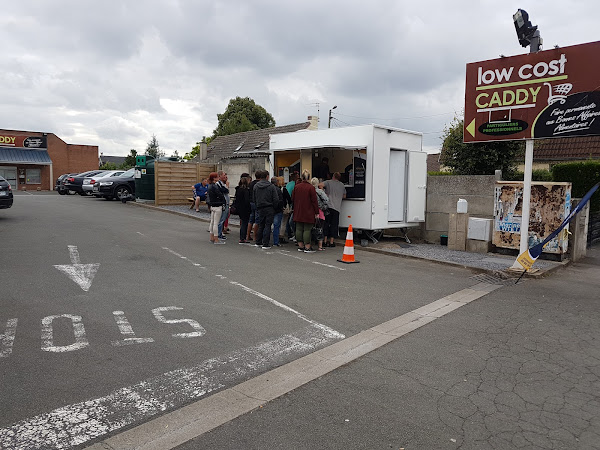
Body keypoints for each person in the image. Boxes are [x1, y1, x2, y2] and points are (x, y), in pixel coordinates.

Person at [292, 169, 319, 253]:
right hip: (308, 211)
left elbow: (292, 198)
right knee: (307, 229)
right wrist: (316, 212)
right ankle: (307, 247)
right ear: (309, 177)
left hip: (298, 210)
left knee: (299, 229)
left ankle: (300, 246)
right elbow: (314, 201)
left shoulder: (297, 187)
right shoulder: (311, 188)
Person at [253, 170, 280, 249]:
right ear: (267, 176)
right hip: (269, 207)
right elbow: (276, 199)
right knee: (268, 225)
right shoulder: (271, 186)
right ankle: (266, 243)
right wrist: (274, 207)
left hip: (260, 207)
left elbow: (254, 198)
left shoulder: (256, 186)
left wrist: (257, 205)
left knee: (261, 225)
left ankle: (258, 242)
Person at [323, 171, 347, 247]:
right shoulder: (342, 185)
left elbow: (320, 185)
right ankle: (332, 242)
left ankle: (325, 241)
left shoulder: (328, 182)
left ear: (333, 176)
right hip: (337, 208)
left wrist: (324, 193)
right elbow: (344, 196)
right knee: (334, 225)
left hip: (328, 207)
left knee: (326, 224)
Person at [206, 172, 226, 244]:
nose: (218, 178)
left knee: (212, 222)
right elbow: (220, 195)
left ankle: (212, 237)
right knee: (216, 223)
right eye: (217, 177)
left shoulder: (209, 186)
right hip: (218, 205)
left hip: (212, 205)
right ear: (214, 178)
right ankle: (216, 239)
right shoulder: (215, 186)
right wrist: (223, 200)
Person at [311, 177, 330, 251]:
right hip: (320, 212)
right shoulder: (320, 192)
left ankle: (311, 245)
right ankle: (320, 246)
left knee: (311, 229)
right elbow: (327, 200)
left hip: (310, 212)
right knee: (320, 228)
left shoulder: (309, 191)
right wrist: (323, 207)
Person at [234, 175, 251, 244]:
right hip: (245, 209)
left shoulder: (238, 189)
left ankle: (242, 237)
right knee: (244, 223)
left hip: (239, 208)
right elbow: (247, 201)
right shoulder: (246, 190)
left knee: (242, 222)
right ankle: (243, 238)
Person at [247, 172, 261, 242]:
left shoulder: (251, 183)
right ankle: (255, 236)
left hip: (251, 202)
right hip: (257, 202)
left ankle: (248, 235)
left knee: (251, 220)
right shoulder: (259, 184)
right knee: (257, 220)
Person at [271, 176, 285, 247]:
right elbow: (280, 200)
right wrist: (281, 208)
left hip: (269, 209)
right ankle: (276, 242)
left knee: (267, 225)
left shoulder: (268, 188)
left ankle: (265, 241)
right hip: (277, 210)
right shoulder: (278, 190)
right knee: (276, 226)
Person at [216, 170, 230, 240]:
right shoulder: (218, 184)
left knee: (223, 218)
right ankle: (218, 234)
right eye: (224, 175)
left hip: (226, 203)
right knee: (221, 220)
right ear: (220, 176)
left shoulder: (222, 183)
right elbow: (225, 191)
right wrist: (227, 186)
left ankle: (220, 232)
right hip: (222, 203)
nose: (225, 177)